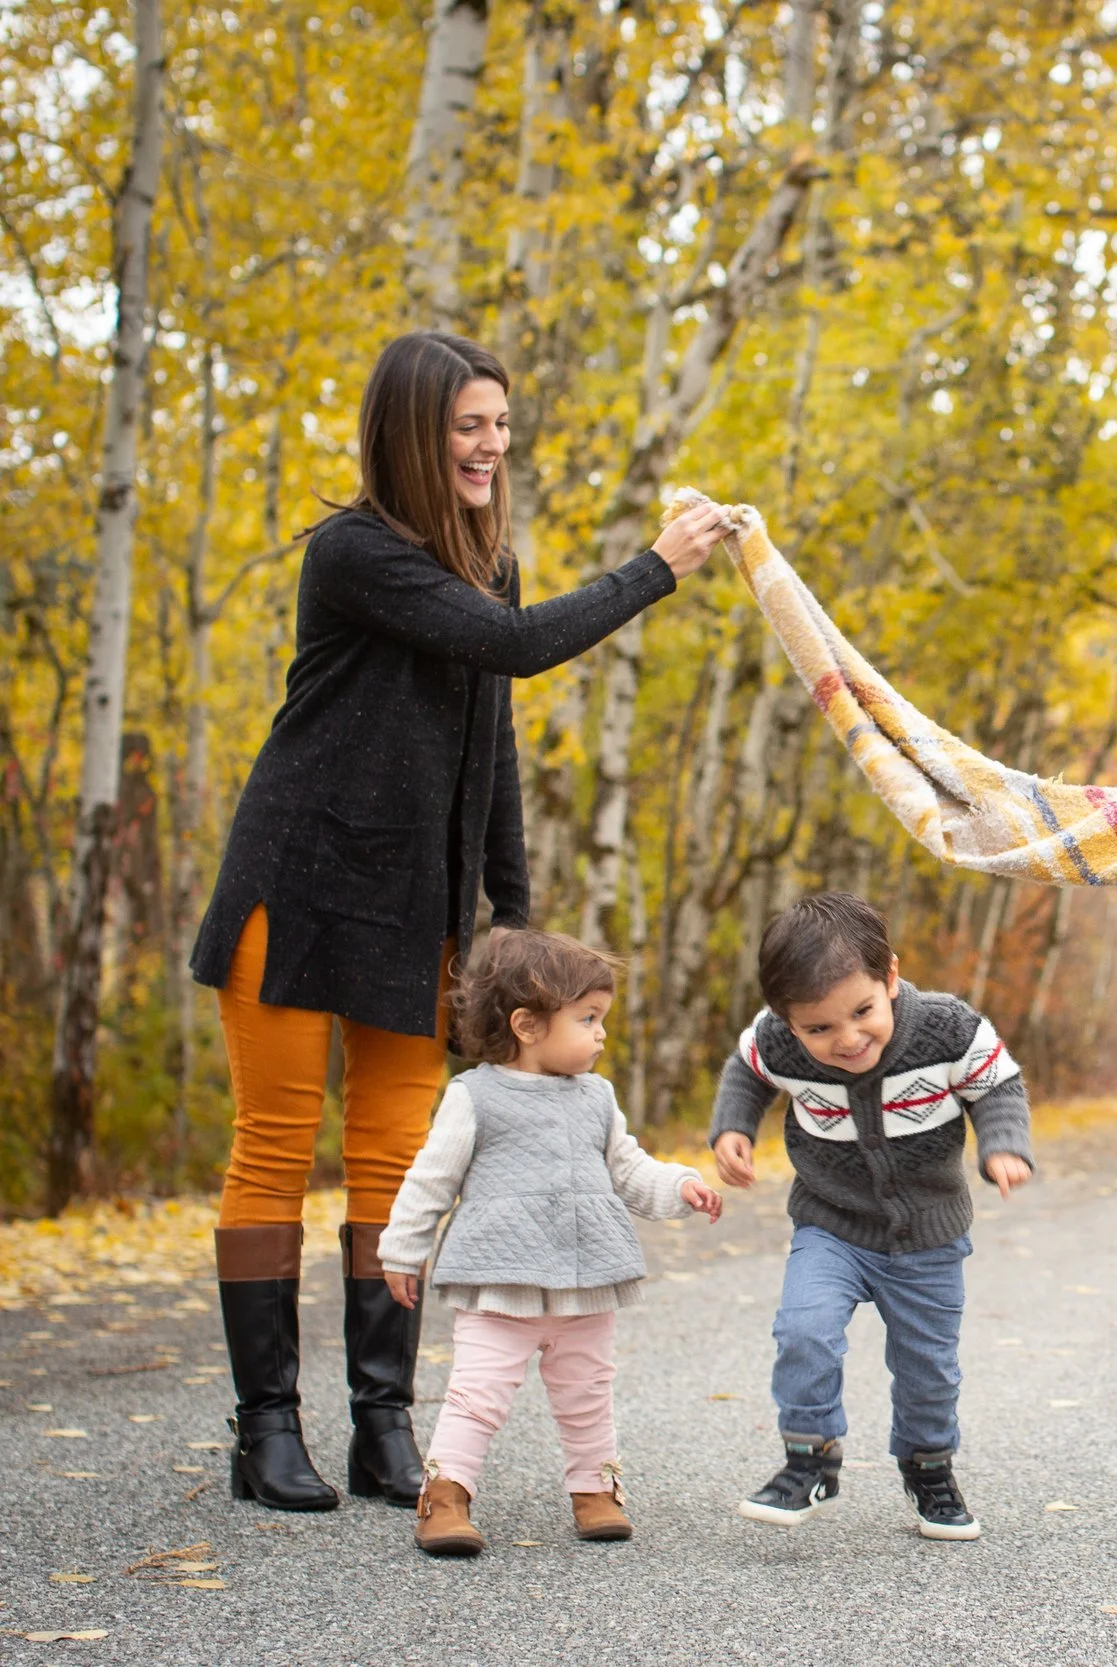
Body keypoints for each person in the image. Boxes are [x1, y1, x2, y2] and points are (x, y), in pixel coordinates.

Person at [188, 331, 733, 1512]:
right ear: (412, 435)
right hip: (295, 884)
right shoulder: (354, 552)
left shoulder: (493, 565)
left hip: (412, 907)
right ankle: (265, 1429)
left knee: (394, 1157)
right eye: (467, 427)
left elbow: (494, 744)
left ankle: (383, 1425)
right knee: (275, 1143)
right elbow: (515, 649)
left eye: (500, 424)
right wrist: (656, 565)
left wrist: (513, 919)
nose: (492, 446)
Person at [376, 929, 721, 1555]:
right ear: (527, 1025)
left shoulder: (597, 1097)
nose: (601, 1034)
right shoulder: (475, 1096)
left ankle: (595, 1489)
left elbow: (628, 1169)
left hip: (587, 1279)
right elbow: (432, 1179)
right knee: (478, 1394)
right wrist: (403, 1249)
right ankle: (446, 1496)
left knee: (587, 1391)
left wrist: (680, 1187)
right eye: (587, 1019)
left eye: (602, 1018)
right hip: (499, 1278)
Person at [708, 891, 1036, 1540]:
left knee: (927, 1369)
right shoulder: (775, 1039)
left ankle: (928, 1468)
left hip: (929, 1236)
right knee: (803, 1330)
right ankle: (810, 1460)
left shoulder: (948, 1028)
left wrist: (1002, 1143)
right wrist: (732, 1127)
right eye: (819, 1029)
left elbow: (998, 1085)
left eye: (862, 1012)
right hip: (830, 1224)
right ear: (787, 1021)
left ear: (889, 976)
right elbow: (746, 1072)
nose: (848, 1039)